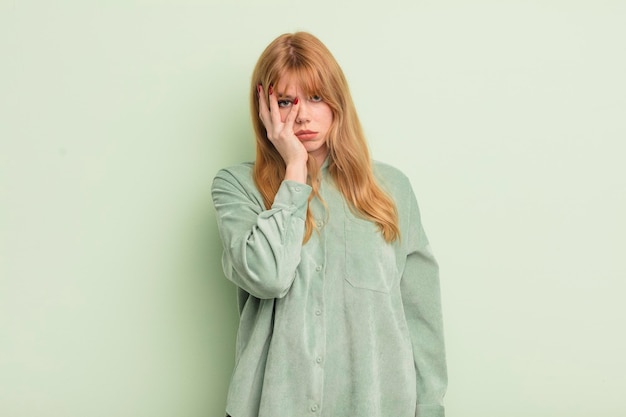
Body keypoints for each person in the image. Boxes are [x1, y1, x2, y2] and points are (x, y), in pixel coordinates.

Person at [211, 31, 447, 417]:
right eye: (286, 101)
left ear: (337, 101)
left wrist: (430, 406)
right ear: (265, 111)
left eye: (316, 97)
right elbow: (268, 277)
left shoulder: (391, 189)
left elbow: (421, 313)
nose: (302, 114)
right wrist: (294, 173)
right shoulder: (237, 188)